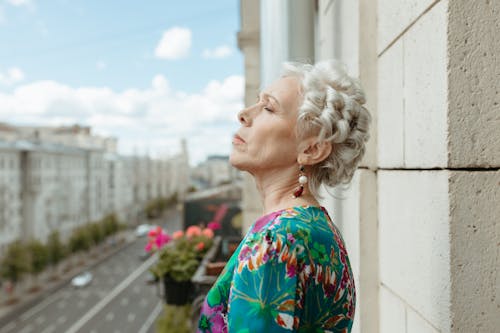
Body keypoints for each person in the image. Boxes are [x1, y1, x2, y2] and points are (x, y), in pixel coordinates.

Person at [197, 59, 372, 332]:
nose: (244, 114)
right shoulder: (314, 228)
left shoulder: (276, 240)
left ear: (312, 150)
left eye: (268, 107)